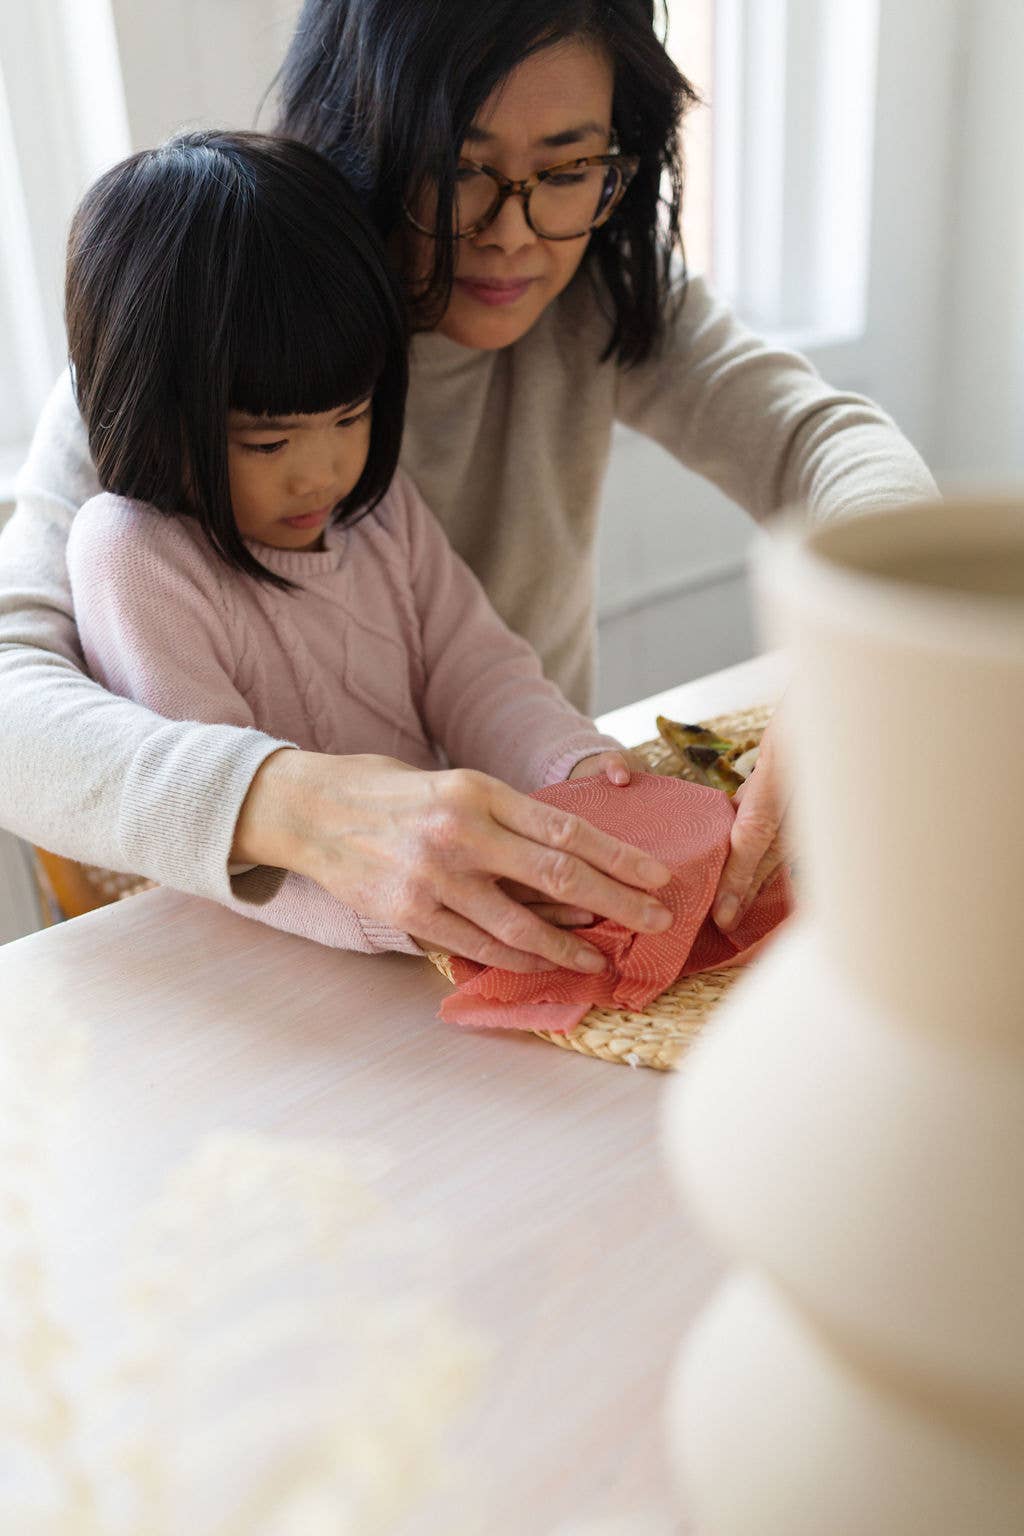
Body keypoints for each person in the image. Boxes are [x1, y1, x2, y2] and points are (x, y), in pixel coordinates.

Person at [0, 0, 937, 966]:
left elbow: (824, 443)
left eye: (566, 170)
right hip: (272, 954)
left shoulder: (601, 283)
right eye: (456, 171)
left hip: (537, 888)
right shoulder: (202, 320)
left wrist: (864, 663)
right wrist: (291, 806)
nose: (513, 234)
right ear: (359, 139)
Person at [60, 129, 673, 969]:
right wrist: (405, 916)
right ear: (155, 416)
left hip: (420, 936)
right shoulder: (135, 555)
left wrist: (574, 768)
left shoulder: (375, 510)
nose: (323, 474)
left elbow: (477, 673)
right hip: (269, 965)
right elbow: (221, 834)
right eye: (268, 443)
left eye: (351, 417)